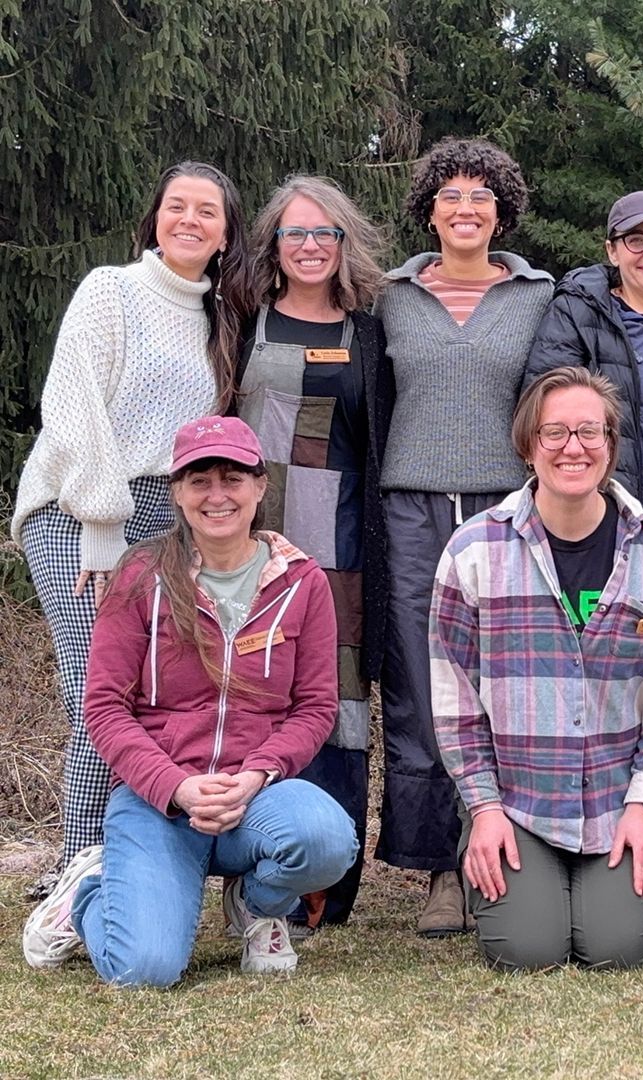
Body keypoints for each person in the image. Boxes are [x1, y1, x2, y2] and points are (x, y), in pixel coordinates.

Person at [22, 416, 357, 986]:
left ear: (260, 485)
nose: (217, 495)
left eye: (232, 478)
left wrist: (255, 776)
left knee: (327, 840)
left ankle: (256, 906)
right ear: (176, 492)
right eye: (199, 480)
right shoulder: (140, 574)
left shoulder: (303, 582)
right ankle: (86, 898)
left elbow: (316, 708)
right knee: (143, 970)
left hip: (255, 798)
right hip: (160, 801)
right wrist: (175, 785)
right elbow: (103, 707)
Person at [10, 161, 251, 897]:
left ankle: (129, 854)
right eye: (176, 206)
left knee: (152, 695)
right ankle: (78, 868)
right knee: (99, 690)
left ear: (225, 233)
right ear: (154, 218)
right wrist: (102, 525)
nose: (189, 220)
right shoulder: (110, 291)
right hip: (80, 512)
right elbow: (74, 405)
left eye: (207, 212)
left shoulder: (220, 319)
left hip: (166, 518)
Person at [429, 367, 643, 971]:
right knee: (528, 949)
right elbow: (455, 701)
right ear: (528, 446)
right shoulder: (474, 550)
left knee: (619, 946)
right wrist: (484, 808)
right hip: (518, 803)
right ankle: (493, 863)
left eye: (589, 431)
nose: (572, 447)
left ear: (611, 444)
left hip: (616, 803)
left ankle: (611, 895)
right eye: (553, 433)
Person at [374, 137, 554, 936]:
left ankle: (512, 855)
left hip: (506, 507)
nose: (466, 208)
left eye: (482, 195)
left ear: (503, 211)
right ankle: (441, 869)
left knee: (504, 685)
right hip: (408, 509)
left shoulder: (539, 296)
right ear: (428, 209)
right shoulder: (387, 295)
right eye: (450, 194)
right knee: (420, 688)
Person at [236, 175, 388, 929]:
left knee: (338, 706)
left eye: (322, 233)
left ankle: (325, 889)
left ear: (343, 242)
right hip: (248, 538)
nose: (308, 246)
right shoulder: (240, 322)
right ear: (273, 244)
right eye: (294, 233)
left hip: (343, 545)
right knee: (255, 696)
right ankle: (250, 870)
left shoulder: (371, 330)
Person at [523, 191, 643, 552]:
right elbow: (541, 412)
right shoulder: (577, 314)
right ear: (612, 250)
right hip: (611, 508)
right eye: (636, 239)